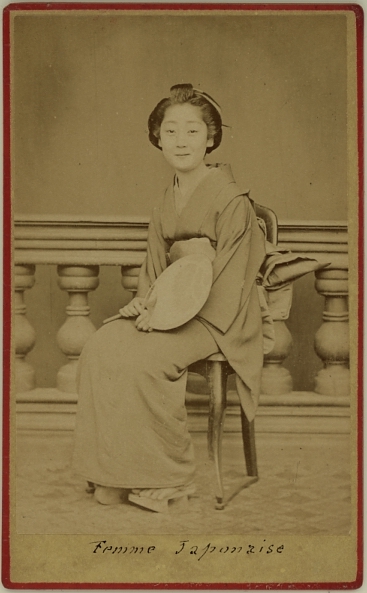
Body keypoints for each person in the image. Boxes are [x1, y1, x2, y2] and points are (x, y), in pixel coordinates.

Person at [72, 84, 266, 512]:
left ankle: (169, 478)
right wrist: (146, 303)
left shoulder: (232, 201)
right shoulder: (165, 200)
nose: (181, 141)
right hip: (171, 305)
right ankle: (113, 472)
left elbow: (232, 281)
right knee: (102, 345)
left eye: (192, 132)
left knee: (147, 358)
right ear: (157, 138)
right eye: (171, 131)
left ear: (211, 138)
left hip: (219, 316)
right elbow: (155, 269)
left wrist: (168, 315)